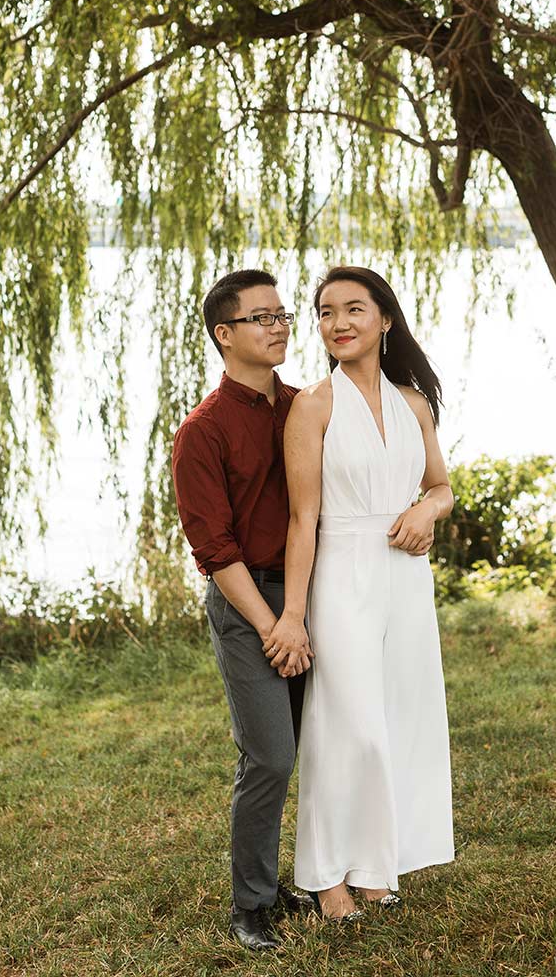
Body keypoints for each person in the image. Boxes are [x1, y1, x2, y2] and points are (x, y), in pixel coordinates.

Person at [262, 265, 455, 920]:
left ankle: (375, 868)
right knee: (346, 728)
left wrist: (426, 512)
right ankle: (325, 876)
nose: (337, 323)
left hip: (404, 579)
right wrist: (293, 614)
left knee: (397, 721)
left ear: (386, 319)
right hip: (341, 575)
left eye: (353, 309)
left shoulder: (413, 403)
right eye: (324, 312)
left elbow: (440, 486)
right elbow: (301, 519)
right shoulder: (312, 405)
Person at [171, 269, 314, 951]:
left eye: (282, 314)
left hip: (314, 592)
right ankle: (251, 906)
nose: (279, 325)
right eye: (261, 317)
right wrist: (272, 623)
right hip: (247, 601)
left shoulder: (307, 407)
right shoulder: (202, 432)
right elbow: (214, 548)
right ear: (225, 335)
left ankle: (317, 874)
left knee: (321, 746)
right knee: (270, 757)